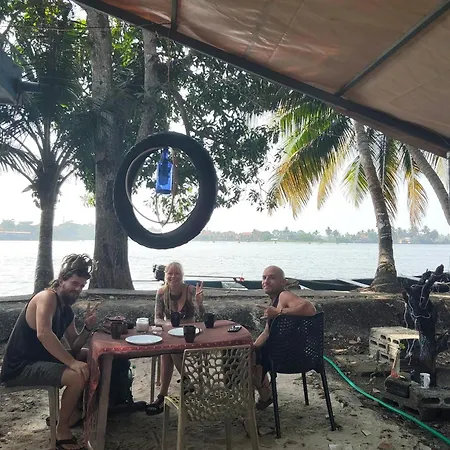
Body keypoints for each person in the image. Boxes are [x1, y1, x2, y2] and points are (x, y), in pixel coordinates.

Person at [0, 254, 97, 450]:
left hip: (42, 360)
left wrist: (87, 328)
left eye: (81, 286)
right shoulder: (47, 297)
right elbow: (43, 333)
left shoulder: (67, 310)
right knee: (77, 376)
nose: (78, 289)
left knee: (89, 355)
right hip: (21, 366)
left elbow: (75, 346)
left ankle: (75, 411)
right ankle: (61, 430)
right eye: (74, 283)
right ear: (61, 280)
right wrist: (71, 363)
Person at [253, 265, 316, 410]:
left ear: (283, 282)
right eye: (264, 277)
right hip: (290, 355)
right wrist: (253, 347)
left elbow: (310, 309)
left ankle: (264, 395)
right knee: (248, 354)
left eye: (272, 278)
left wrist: (279, 312)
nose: (266, 281)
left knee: (244, 361)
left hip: (286, 358)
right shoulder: (274, 302)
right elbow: (267, 332)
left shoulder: (284, 296)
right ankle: (265, 394)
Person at [146, 261, 205, 415]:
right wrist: (168, 324)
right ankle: (183, 383)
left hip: (190, 334)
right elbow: (157, 319)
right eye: (170, 273)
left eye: (177, 273)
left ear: (182, 275)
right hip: (171, 333)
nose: (173, 276)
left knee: (169, 350)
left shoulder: (190, 290)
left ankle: (163, 396)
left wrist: (200, 304)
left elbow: (201, 317)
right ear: (165, 275)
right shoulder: (161, 293)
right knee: (168, 351)